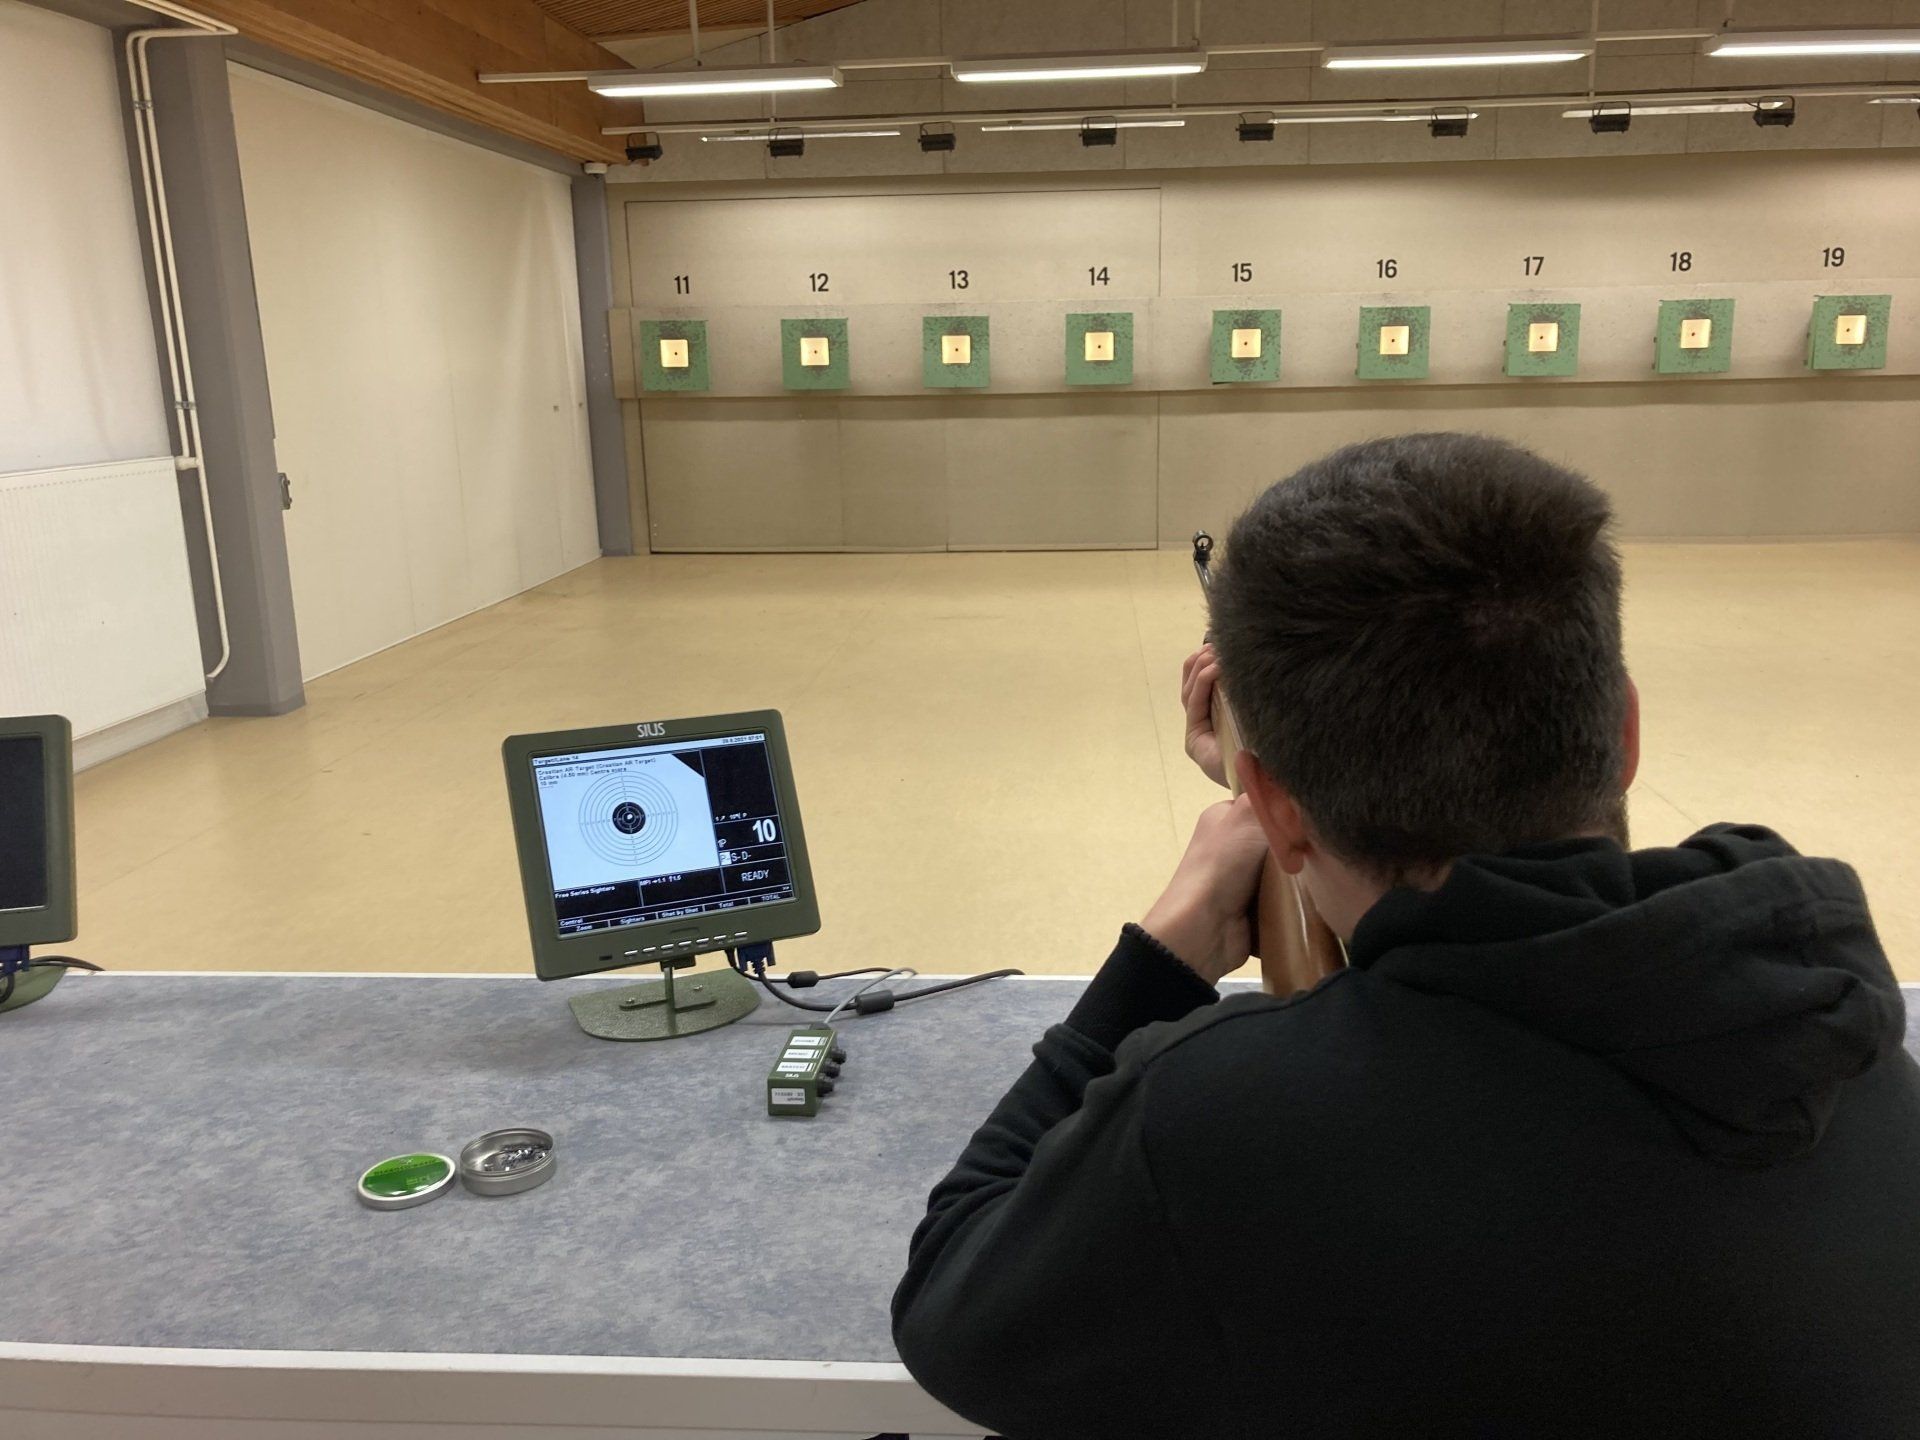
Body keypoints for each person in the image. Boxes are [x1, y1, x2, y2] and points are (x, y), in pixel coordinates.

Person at [890, 433, 1920, 1439]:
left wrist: (1157, 960)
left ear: (1273, 808)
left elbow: (954, 1309)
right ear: (1625, 732)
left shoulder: (1221, 1125)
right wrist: (1285, 806)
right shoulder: (1838, 1033)